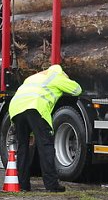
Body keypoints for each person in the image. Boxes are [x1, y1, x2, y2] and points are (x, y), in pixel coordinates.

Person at [8, 64, 82, 192]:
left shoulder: (33, 77)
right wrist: (67, 80)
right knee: (46, 146)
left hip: (15, 109)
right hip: (35, 108)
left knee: (23, 147)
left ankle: (23, 185)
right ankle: (51, 185)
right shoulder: (57, 76)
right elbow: (77, 90)